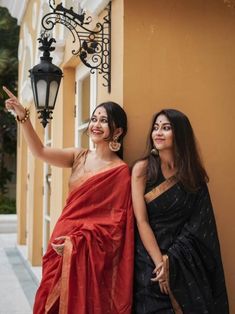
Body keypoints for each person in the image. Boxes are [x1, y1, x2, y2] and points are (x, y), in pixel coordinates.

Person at [3, 86, 134, 314]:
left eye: (103, 121)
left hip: (82, 251)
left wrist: (77, 243)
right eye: (94, 118)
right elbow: (41, 152)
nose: (95, 124)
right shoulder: (78, 156)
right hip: (58, 243)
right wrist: (22, 116)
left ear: (118, 131)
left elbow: (115, 226)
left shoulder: (120, 172)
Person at [132, 108, 229, 314]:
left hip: (185, 263)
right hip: (149, 258)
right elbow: (141, 221)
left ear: (180, 134)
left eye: (166, 128)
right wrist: (161, 264)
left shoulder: (192, 175)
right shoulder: (142, 170)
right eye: (156, 127)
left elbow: (200, 225)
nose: (158, 132)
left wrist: (172, 261)